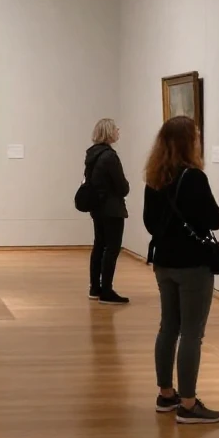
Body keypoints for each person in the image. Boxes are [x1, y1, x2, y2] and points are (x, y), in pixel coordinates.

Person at [143, 116, 219, 424]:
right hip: (192, 265)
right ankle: (188, 405)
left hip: (163, 262)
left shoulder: (155, 177)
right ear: (189, 142)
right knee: (191, 332)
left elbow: (149, 222)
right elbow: (214, 219)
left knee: (168, 327)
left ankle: (166, 394)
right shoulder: (194, 178)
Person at [83, 118, 130, 305]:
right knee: (112, 248)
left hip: (97, 207)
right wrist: (125, 187)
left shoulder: (92, 155)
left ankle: (95, 288)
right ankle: (107, 291)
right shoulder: (110, 156)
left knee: (99, 245)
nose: (118, 131)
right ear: (109, 132)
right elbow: (122, 186)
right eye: (116, 128)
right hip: (112, 209)